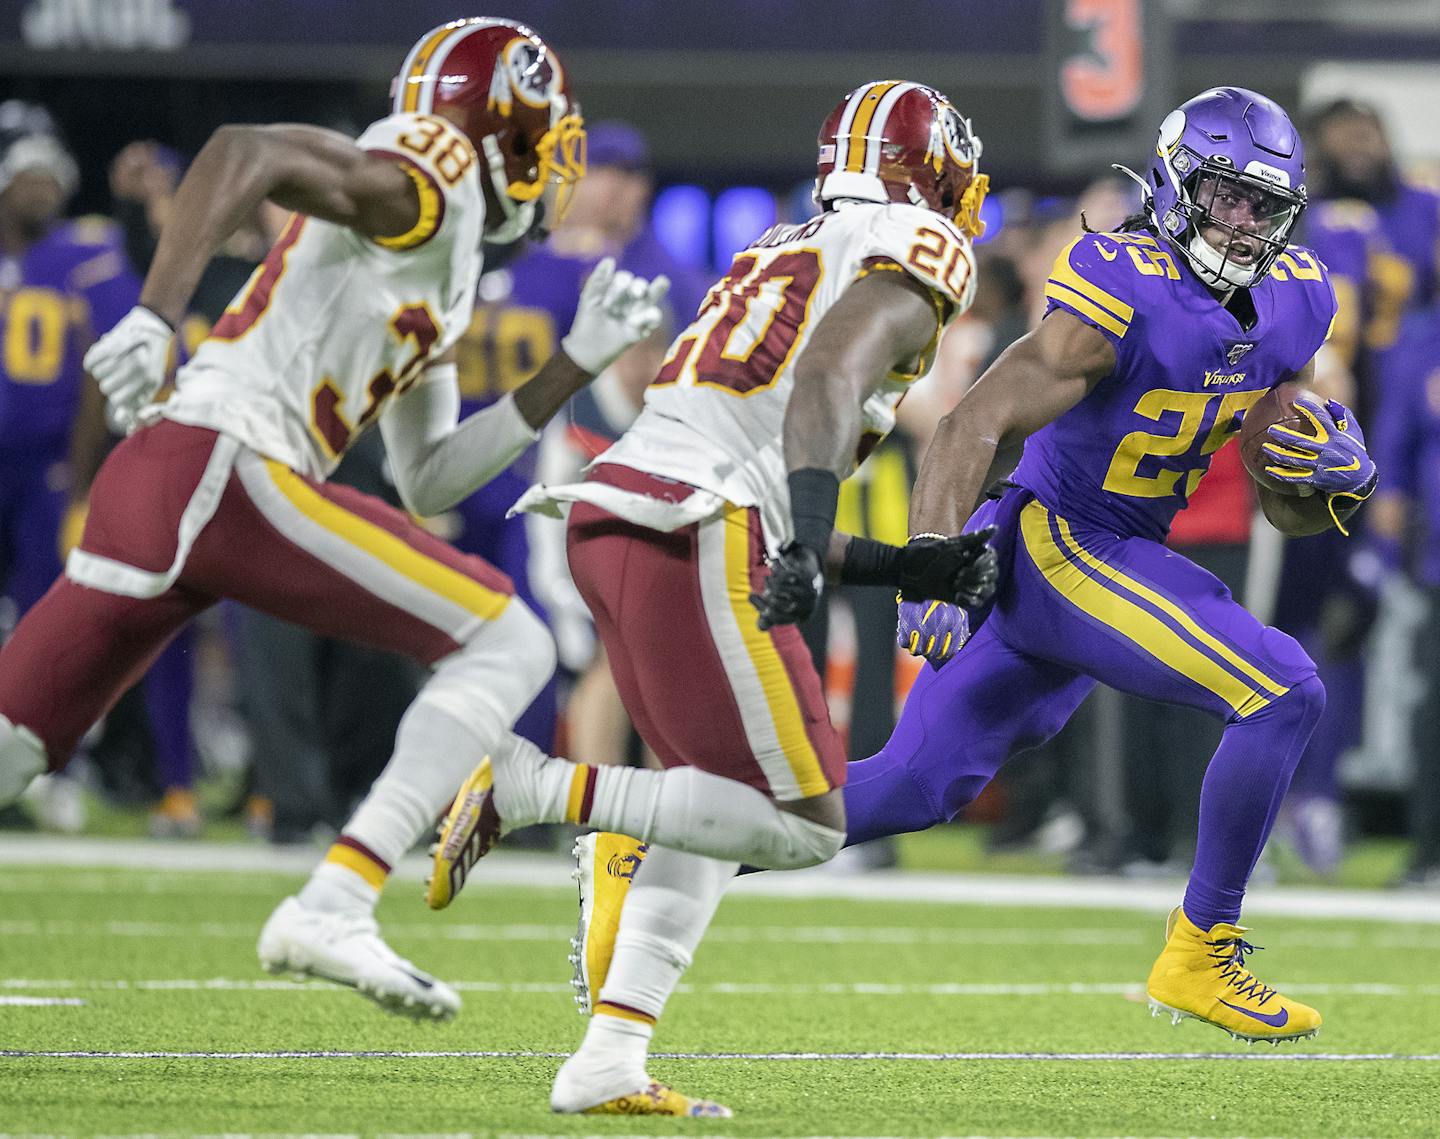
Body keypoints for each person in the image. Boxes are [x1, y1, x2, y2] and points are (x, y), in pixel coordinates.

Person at [566, 88, 1382, 1054]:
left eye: (1261, 204)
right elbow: (971, 422)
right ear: (1175, 184)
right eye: (1223, 197)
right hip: (1059, 540)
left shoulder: (1300, 298)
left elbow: (1282, 493)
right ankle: (1203, 944)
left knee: (915, 785)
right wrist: (932, 564)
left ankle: (652, 847)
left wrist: (1335, 477)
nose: (1241, 224)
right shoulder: (1126, 281)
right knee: (1283, 689)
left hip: (1111, 550)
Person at [0, 17, 669, 1020]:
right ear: (492, 133)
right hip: (227, 460)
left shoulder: (441, 257)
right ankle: (339, 893)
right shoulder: (433, 169)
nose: (545, 168)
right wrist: (151, 312)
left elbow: (432, 474)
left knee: (12, 742)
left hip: (177, 479)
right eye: (536, 140)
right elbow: (243, 151)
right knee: (510, 637)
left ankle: (337, 894)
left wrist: (568, 367)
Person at [432, 80, 997, 1116]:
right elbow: (828, 378)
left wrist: (900, 565)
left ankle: (609, 1052)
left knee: (717, 807)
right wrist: (814, 523)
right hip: (690, 525)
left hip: (626, 515)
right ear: (932, 169)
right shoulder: (923, 242)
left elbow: (768, 464)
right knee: (807, 823)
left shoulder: (784, 246)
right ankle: (536, 786)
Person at [0, 101, 142, 833]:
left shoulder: (86, 255)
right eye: (29, 176)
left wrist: (82, 478)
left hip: (46, 469)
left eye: (50, 177)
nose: (43, 189)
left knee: (46, 621)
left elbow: (101, 370)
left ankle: (55, 769)